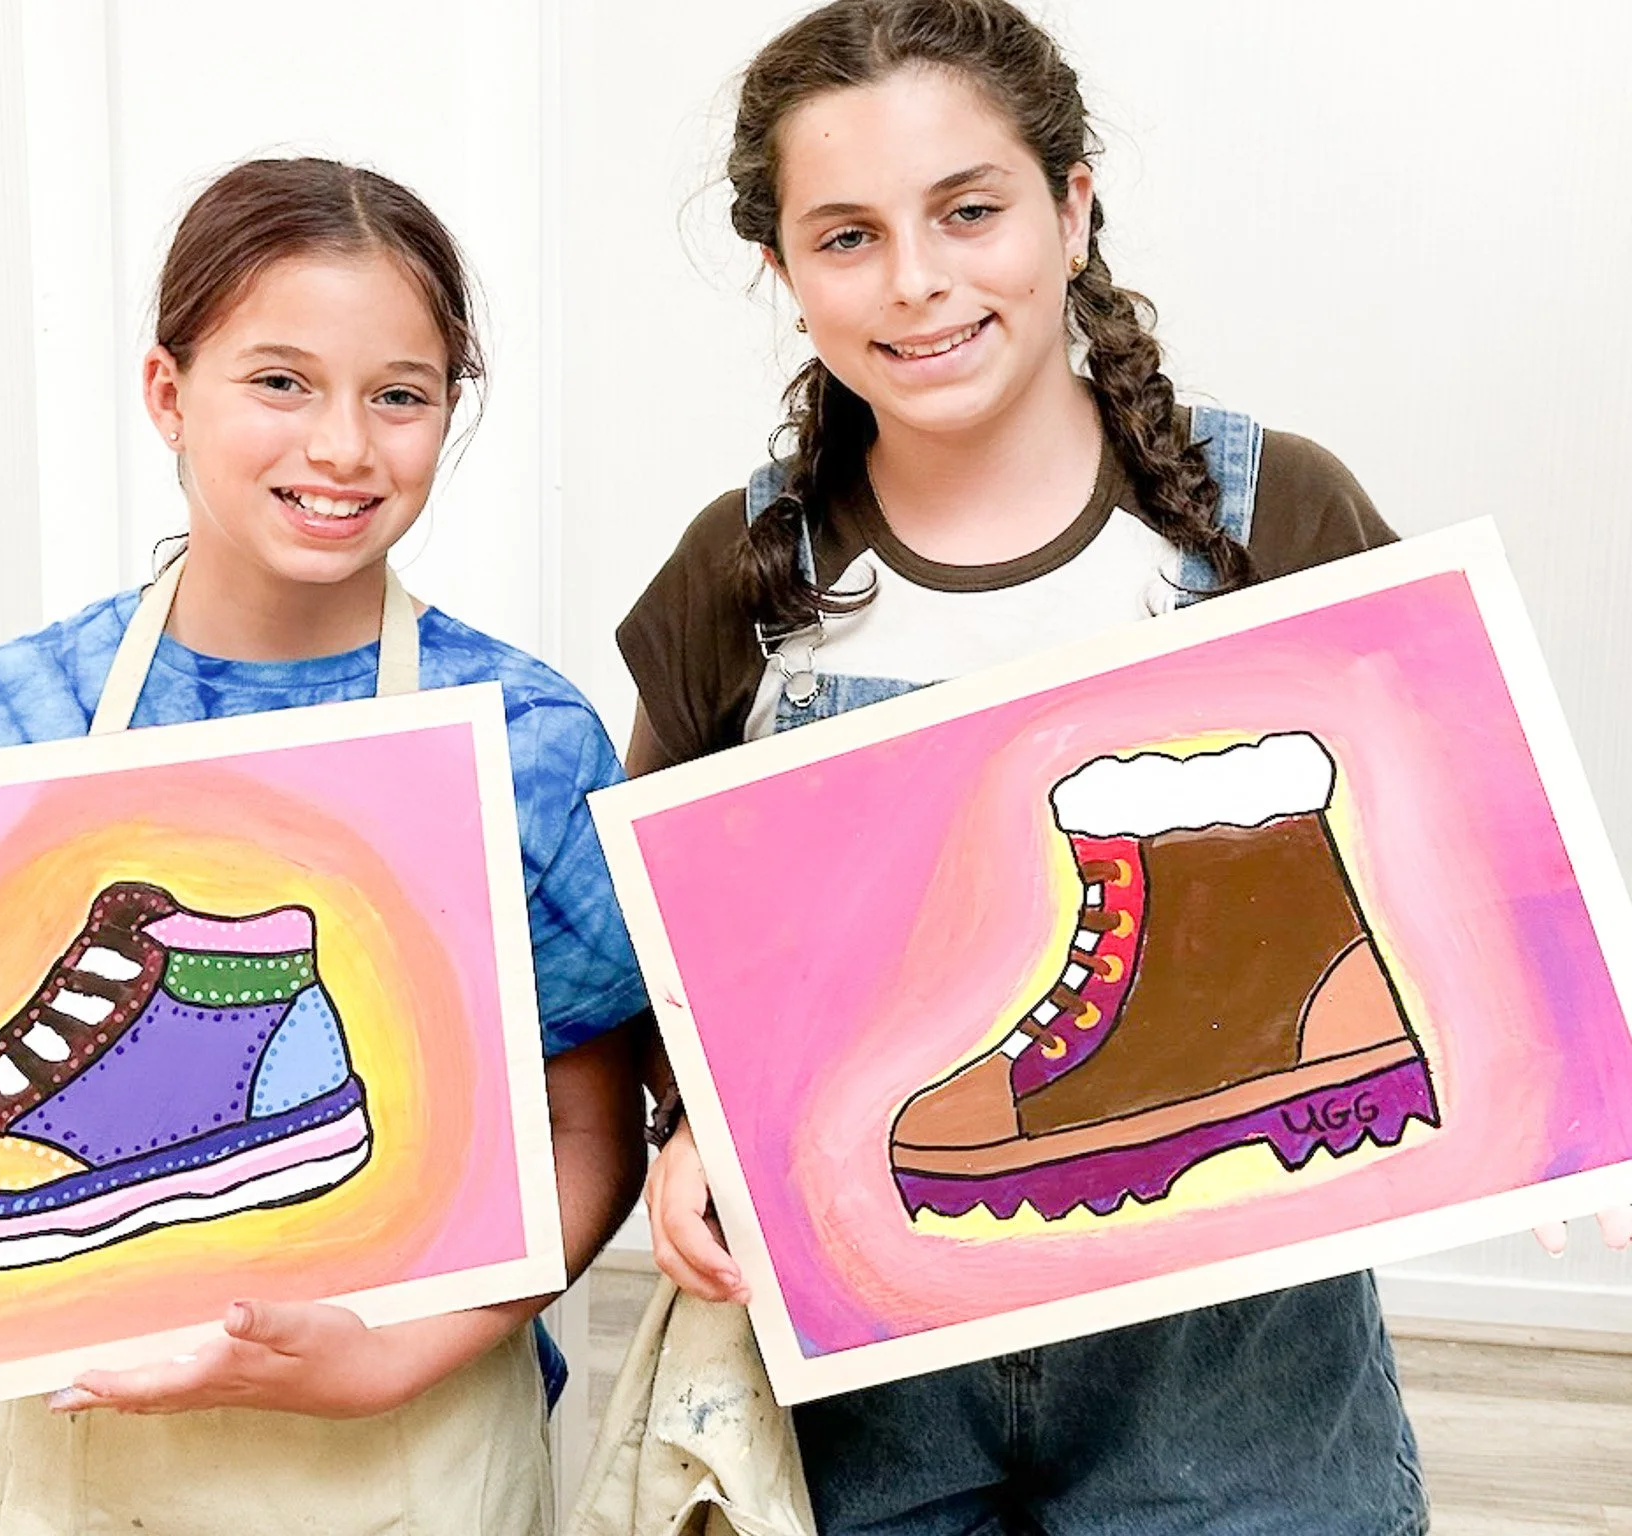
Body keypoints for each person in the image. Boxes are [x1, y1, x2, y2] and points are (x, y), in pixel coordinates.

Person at [617, 2, 1457, 1531]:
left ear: (1071, 208)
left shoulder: (1267, 518)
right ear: (783, 270)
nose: (919, 279)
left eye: (970, 211)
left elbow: (1452, 860)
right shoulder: (741, 571)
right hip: (875, 1362)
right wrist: (682, 1133)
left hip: (1236, 1375)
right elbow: (668, 935)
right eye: (849, 235)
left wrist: (1535, 1086)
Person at [0, 156, 649, 1536]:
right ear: (168, 395)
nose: (345, 447)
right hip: (81, 1440)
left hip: (412, 1437)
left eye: (401, 395)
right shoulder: (4, 723)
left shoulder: (525, 737)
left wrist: (385, 1362)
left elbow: (585, 1124)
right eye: (282, 381)